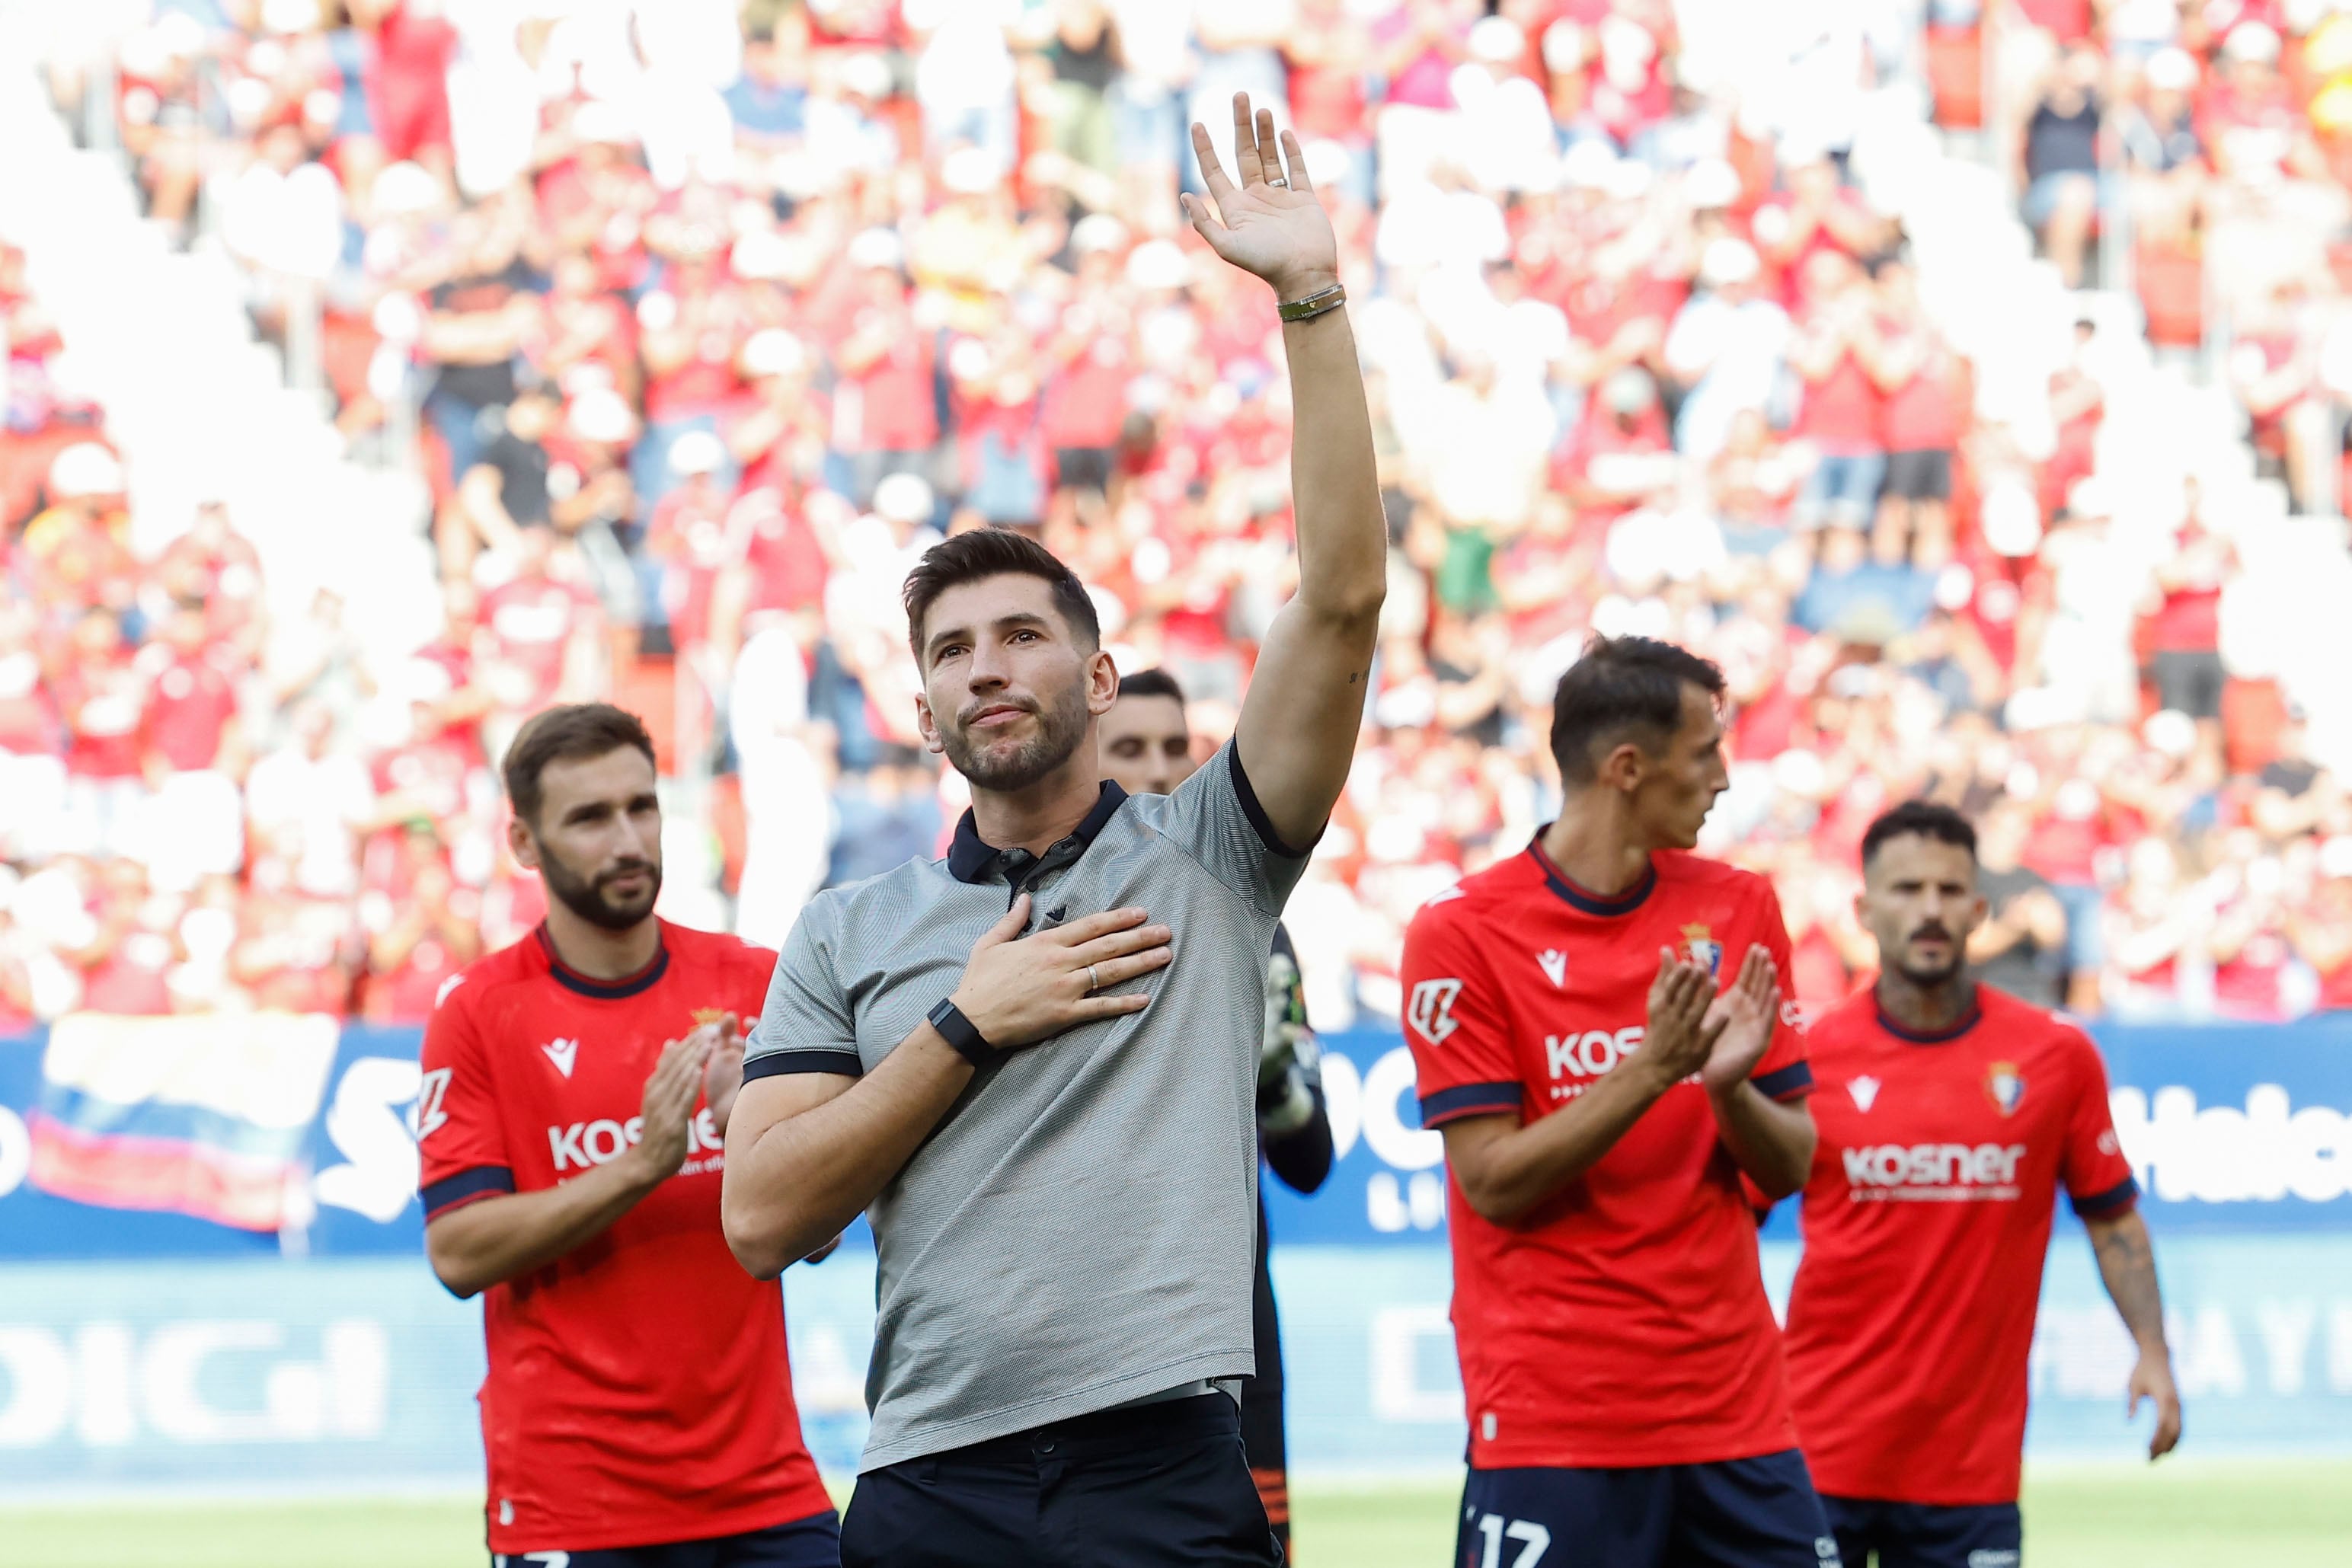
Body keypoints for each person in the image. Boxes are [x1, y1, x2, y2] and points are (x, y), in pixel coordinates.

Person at [722, 94, 1384, 1568]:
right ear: (920, 711)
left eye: (1023, 634)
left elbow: (1337, 598)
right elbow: (761, 1215)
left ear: (1096, 678)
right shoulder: (846, 928)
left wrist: (1309, 298)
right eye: (952, 650)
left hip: (1160, 1460)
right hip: (927, 1476)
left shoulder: (1213, 850)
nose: (987, 667)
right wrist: (966, 1025)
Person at [1401, 634, 1833, 1568]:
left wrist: (1726, 1091)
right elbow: (1493, 1183)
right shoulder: (1460, 933)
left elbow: (1791, 1162)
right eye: (1707, 749)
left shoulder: (1739, 905)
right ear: (1628, 767)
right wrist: (1649, 1068)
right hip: (1556, 1422)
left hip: (1736, 1412)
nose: (1725, 775)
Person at [414, 704, 839, 1567]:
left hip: (767, 1494)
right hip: (576, 1510)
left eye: (641, 807)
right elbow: (458, 1252)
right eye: (589, 817)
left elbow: (821, 1235)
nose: (628, 839)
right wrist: (641, 1165)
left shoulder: (752, 979)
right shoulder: (479, 1011)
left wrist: (756, 1142)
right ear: (525, 845)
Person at [1782, 800, 2182, 1568]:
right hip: (1814, 1455)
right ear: (1864, 909)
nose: (1928, 909)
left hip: (1969, 1472)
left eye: (1946, 889)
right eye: (1905, 890)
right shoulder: (1811, 1055)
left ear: (1978, 908)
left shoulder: (2054, 1058)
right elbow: (1725, 1218)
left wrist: (2153, 1352)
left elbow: (2113, 1219)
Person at [1098, 666, 1335, 1556]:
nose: (1160, 770)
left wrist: (1272, 1077)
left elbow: (1310, 1161)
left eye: (1174, 748)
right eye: (1130, 749)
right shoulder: (1024, 926)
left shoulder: (1259, 929)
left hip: (1233, 1337)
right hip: (1092, 1346)